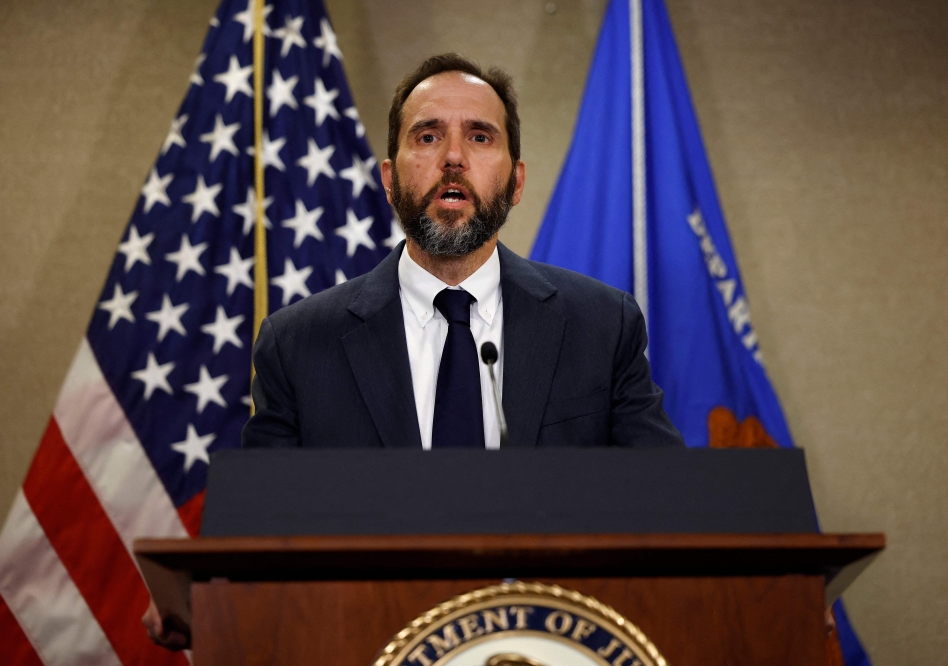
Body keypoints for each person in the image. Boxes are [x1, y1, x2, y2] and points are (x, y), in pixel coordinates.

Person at [145, 52, 683, 649]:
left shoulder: (600, 326)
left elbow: (669, 509)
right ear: (389, 178)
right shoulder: (299, 343)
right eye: (428, 136)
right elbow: (262, 533)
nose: (453, 157)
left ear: (516, 180)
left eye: (480, 136)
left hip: (551, 645)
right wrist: (203, 596)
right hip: (364, 645)